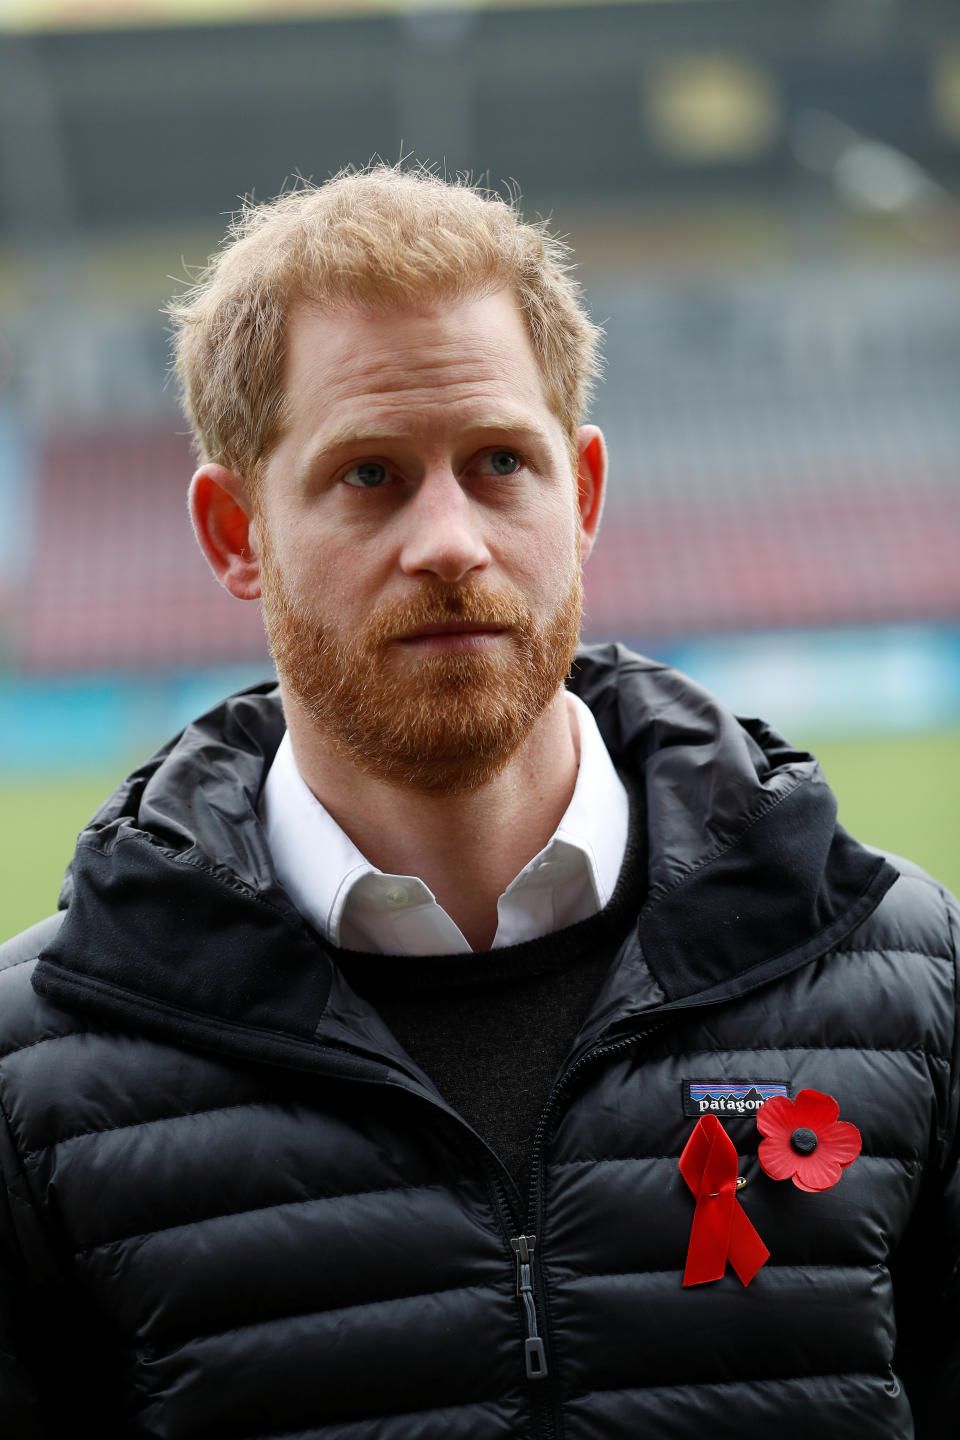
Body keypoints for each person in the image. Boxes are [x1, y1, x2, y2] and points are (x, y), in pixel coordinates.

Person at [0, 166, 956, 1440]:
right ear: (236, 533)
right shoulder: (37, 1090)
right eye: (371, 476)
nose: (450, 540)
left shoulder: (911, 982)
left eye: (501, 461)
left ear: (586, 496)